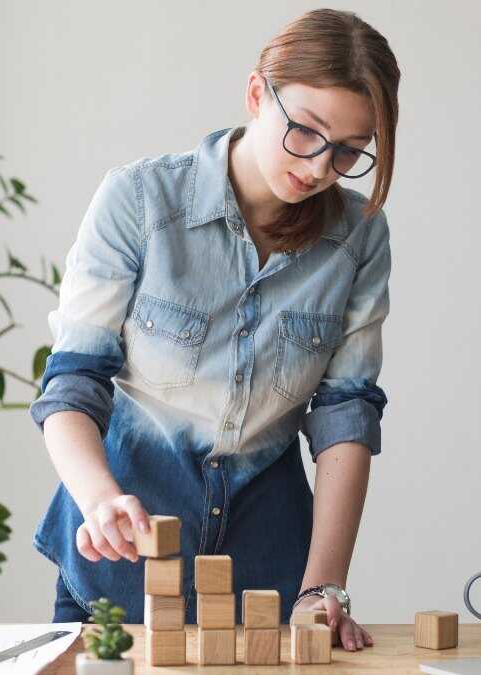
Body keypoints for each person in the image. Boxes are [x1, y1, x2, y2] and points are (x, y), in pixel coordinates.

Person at [29, 8, 399, 652]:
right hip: (119, 565)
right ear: (258, 93)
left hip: (270, 578)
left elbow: (345, 415)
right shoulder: (139, 201)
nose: (317, 168)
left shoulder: (358, 234)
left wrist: (324, 588)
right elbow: (72, 383)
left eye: (347, 151)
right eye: (305, 133)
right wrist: (99, 500)